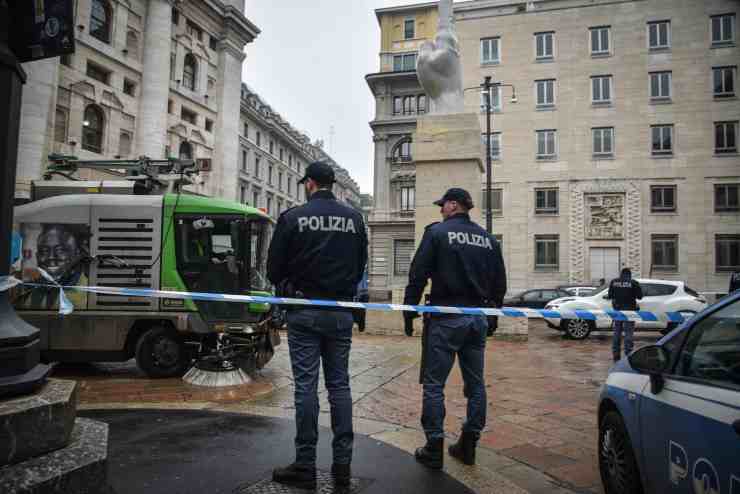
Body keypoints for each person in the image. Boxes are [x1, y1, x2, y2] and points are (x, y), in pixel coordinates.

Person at [267, 161, 368, 489]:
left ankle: (305, 465)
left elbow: (273, 269)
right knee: (340, 386)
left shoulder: (293, 217)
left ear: (310, 183)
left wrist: (291, 283)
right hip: (340, 310)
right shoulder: (354, 219)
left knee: (306, 387)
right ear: (332, 185)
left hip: (305, 310)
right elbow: (360, 264)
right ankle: (342, 465)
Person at [402, 188, 506, 469]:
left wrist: (409, 310)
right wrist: (492, 316)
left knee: (434, 384)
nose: (440, 210)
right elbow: (499, 283)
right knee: (476, 385)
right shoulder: (488, 239)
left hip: (445, 317)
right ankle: (469, 443)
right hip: (477, 319)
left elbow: (418, 273)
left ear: (453, 204)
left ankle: (434, 446)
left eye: (442, 205)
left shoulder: (436, 233)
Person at [607, 268, 643, 362]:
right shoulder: (633, 283)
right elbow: (640, 296)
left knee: (616, 333)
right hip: (630, 311)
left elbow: (610, 295)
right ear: (629, 275)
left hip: (618, 310)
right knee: (628, 334)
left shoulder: (614, 282)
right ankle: (628, 355)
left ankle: (616, 356)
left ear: (621, 274)